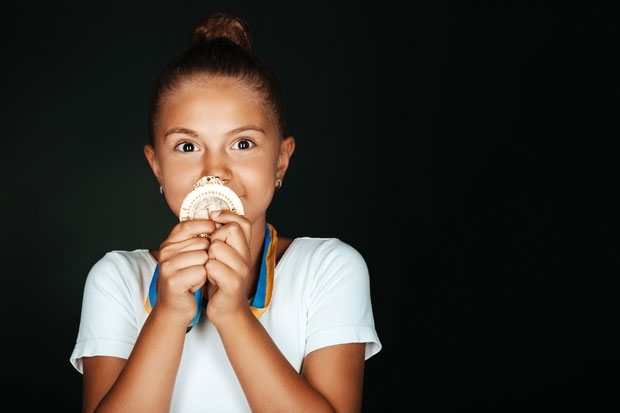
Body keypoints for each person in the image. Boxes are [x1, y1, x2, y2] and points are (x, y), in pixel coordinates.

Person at [69, 12, 381, 412]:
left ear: (281, 161)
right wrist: (167, 315)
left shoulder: (329, 269)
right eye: (187, 146)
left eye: (243, 143)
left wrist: (233, 314)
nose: (215, 171)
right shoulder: (116, 279)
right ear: (157, 167)